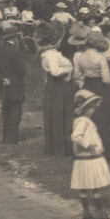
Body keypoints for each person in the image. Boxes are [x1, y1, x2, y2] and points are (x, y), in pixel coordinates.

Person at [70, 90, 110, 219]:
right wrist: (87, 144)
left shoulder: (82, 121)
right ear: (82, 109)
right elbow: (76, 136)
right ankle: (96, 211)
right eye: (88, 108)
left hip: (85, 159)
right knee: (95, 186)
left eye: (92, 108)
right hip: (89, 158)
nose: (92, 110)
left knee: (85, 186)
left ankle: (87, 212)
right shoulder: (83, 122)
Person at [72, 28, 110, 155]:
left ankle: (88, 143)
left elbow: (77, 75)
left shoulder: (81, 57)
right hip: (100, 86)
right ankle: (106, 148)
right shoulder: (100, 58)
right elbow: (106, 79)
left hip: (87, 85)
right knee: (104, 116)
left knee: (89, 115)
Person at [40, 26, 76, 156]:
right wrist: (69, 70)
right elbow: (55, 72)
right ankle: (61, 148)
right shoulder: (52, 56)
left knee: (56, 114)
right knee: (61, 114)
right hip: (59, 86)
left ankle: (55, 146)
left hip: (54, 86)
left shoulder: (48, 55)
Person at [0, 24, 27, 144]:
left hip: (3, 86)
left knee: (5, 111)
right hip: (16, 86)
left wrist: (2, 79)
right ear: (14, 38)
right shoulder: (14, 52)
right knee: (15, 113)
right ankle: (11, 140)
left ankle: (4, 137)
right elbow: (21, 71)